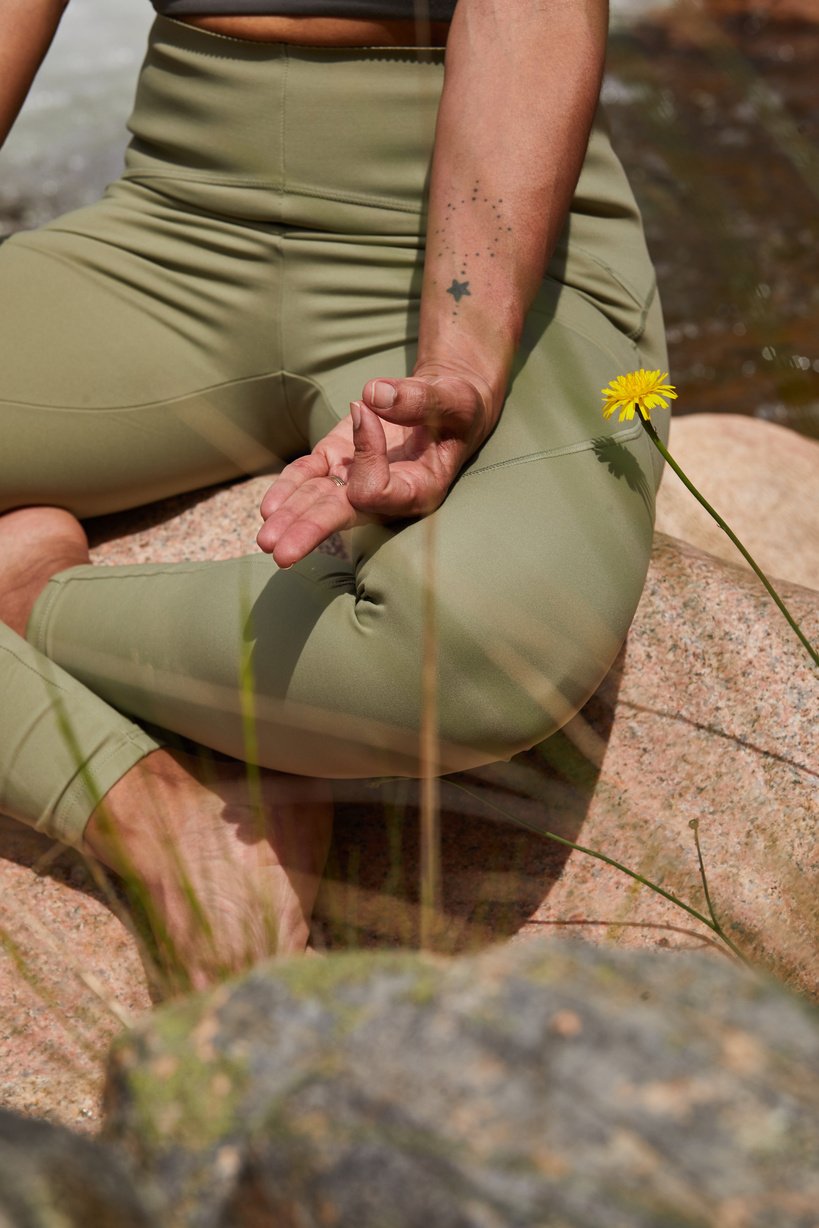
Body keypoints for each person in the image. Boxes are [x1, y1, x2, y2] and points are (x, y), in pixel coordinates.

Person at [0, 0, 669, 989]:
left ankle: (36, 604)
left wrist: (462, 361)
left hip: (486, 247)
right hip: (168, 236)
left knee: (466, 651)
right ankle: (161, 818)